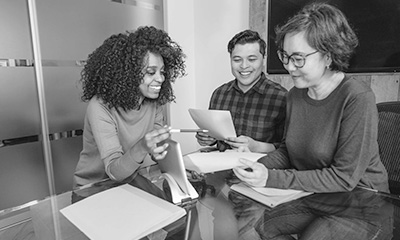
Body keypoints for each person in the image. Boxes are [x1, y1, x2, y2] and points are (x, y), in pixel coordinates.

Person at [233, 3, 390, 239]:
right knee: (260, 227)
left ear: (328, 55)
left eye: (298, 58)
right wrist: (260, 166)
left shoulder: (357, 97)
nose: (288, 67)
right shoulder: (295, 95)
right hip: (319, 196)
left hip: (361, 203)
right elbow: (288, 151)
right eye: (285, 56)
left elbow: (343, 178)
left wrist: (271, 177)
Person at [73, 26, 186, 193]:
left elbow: (156, 151)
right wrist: (142, 146)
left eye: (162, 72)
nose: (160, 78)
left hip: (129, 181)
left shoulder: (153, 103)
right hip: (93, 188)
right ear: (129, 73)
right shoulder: (100, 107)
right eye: (150, 72)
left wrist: (160, 149)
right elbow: (113, 171)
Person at [195, 29, 287, 153]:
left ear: (263, 59)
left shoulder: (281, 97)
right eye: (237, 60)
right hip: (221, 167)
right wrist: (207, 139)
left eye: (252, 59)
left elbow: (287, 150)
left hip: (261, 169)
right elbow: (215, 138)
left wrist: (257, 147)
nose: (244, 66)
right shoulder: (219, 94)